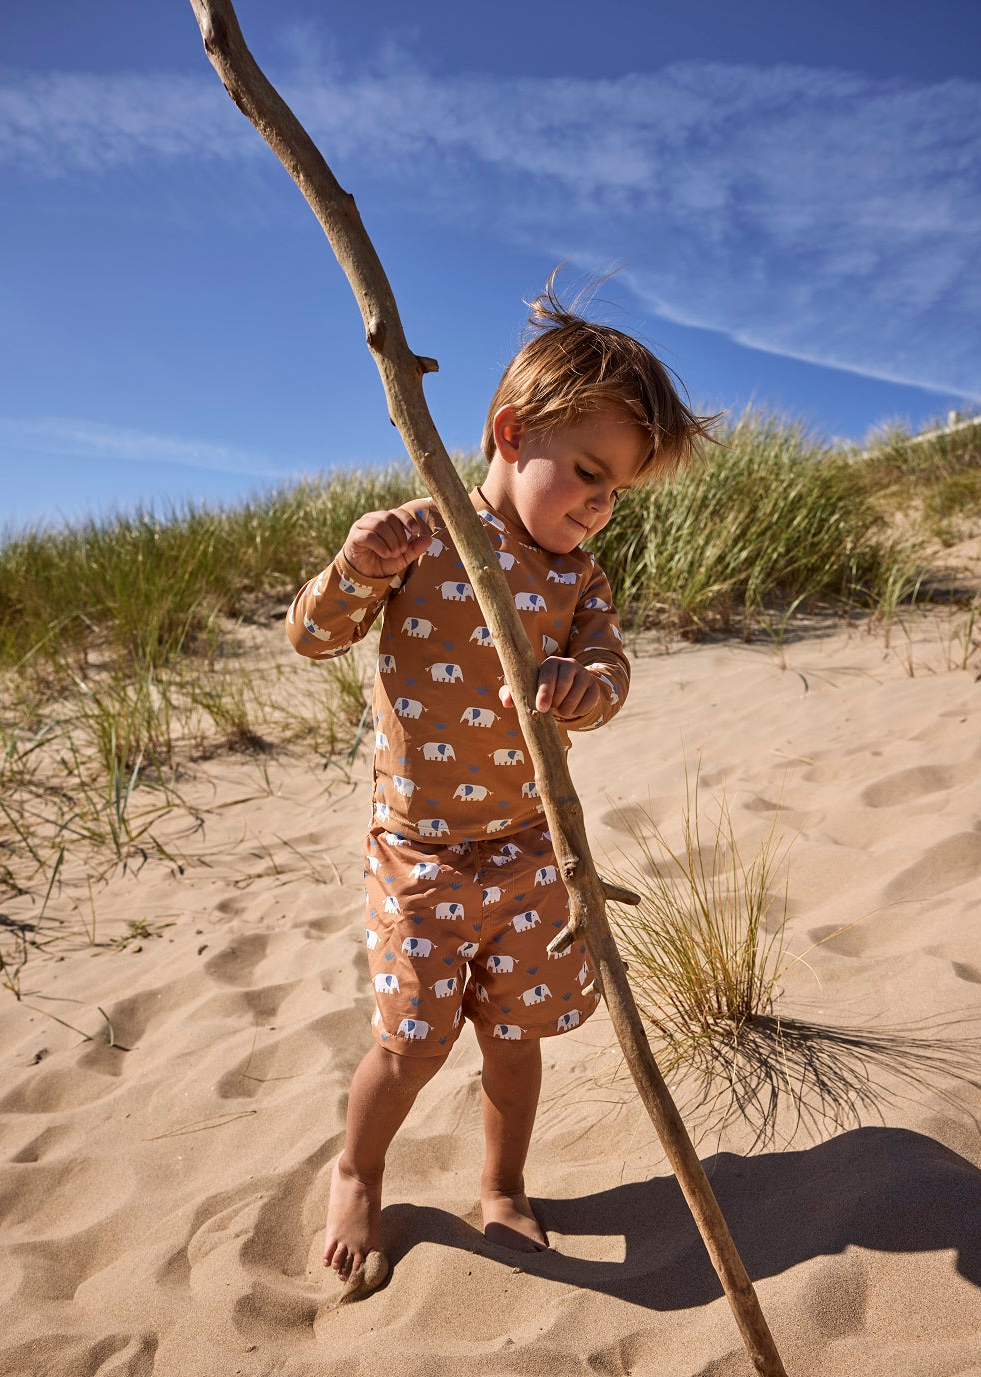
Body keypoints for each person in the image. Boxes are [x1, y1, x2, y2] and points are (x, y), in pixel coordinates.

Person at [286, 280, 716, 1284]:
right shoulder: (419, 535)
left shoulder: (579, 582)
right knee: (410, 1041)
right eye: (585, 474)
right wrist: (355, 562)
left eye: (615, 493)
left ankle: (504, 1184)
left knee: (515, 1040)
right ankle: (357, 1167)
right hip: (420, 853)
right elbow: (312, 635)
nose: (598, 508)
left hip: (531, 848)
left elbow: (610, 674)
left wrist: (581, 687)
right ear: (511, 431)